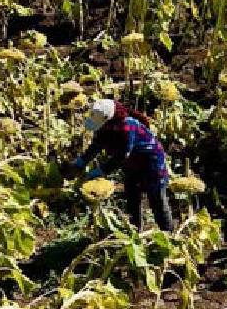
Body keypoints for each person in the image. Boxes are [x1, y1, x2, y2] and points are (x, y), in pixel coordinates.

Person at [66, 99, 174, 232]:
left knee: (157, 198)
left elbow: (121, 156)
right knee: (131, 194)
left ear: (108, 119)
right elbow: (96, 145)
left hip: (151, 162)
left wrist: (100, 171)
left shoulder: (126, 127)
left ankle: (169, 233)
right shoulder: (105, 126)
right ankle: (135, 230)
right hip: (132, 163)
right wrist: (81, 162)